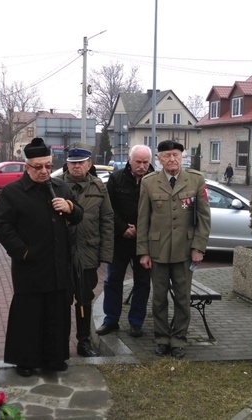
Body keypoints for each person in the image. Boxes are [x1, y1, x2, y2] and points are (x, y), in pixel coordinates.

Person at [0, 137, 83, 377]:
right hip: (30, 265)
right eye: (38, 166)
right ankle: (25, 360)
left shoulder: (61, 188)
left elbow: (78, 215)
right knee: (29, 315)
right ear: (27, 167)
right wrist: (22, 251)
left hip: (57, 264)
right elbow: (1, 226)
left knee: (56, 313)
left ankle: (54, 358)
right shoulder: (13, 192)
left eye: (48, 166)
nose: (44, 171)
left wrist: (71, 208)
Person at [137, 140, 211, 359]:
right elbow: (143, 219)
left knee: (182, 299)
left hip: (185, 251)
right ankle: (161, 338)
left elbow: (204, 218)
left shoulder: (195, 180)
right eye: (167, 155)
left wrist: (199, 247)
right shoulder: (149, 182)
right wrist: (143, 251)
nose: (172, 159)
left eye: (176, 155)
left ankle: (178, 339)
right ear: (159, 159)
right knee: (159, 298)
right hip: (158, 251)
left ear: (182, 157)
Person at [59, 142, 114, 357]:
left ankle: (84, 341)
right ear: (67, 164)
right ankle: (60, 342)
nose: (76, 167)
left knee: (84, 299)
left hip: (87, 254)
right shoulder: (55, 185)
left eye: (80, 163)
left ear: (89, 164)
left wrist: (105, 255)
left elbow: (107, 220)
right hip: (62, 255)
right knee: (62, 301)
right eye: (72, 163)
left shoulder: (99, 187)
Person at [97, 145, 155, 338]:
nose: (142, 166)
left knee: (143, 282)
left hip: (144, 242)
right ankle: (111, 320)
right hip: (120, 239)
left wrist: (141, 229)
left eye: (145, 162)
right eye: (138, 161)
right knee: (113, 280)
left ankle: (136, 322)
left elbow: (158, 212)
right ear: (130, 160)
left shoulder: (155, 180)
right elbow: (107, 209)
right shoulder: (116, 178)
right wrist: (123, 228)